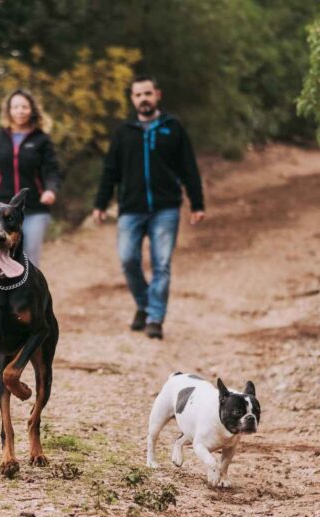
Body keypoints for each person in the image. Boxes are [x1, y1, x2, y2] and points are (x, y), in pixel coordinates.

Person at [93, 75, 206, 340]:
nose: (143, 98)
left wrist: (196, 203)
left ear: (157, 95)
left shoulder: (172, 127)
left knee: (162, 264)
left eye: (147, 93)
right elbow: (111, 171)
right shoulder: (123, 132)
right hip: (131, 208)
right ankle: (144, 305)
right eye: (138, 95)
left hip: (165, 208)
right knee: (127, 259)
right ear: (132, 99)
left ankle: (155, 318)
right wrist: (100, 203)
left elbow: (189, 167)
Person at [0, 89, 62, 267]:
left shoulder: (42, 140)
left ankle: (28, 293)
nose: (20, 111)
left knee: (29, 256)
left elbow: (52, 170)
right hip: (1, 210)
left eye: (24, 107)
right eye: (15, 107)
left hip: (34, 208)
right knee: (1, 254)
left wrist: (50, 189)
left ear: (32, 110)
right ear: (9, 111)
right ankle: (5, 293)